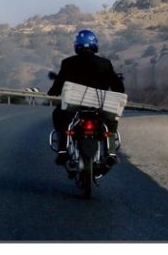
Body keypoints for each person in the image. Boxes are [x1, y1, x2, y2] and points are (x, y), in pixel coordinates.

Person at [47, 28, 126, 166]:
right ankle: (111, 152)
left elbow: (57, 86)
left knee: (59, 115)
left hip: (75, 105)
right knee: (111, 120)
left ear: (77, 45)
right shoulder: (105, 63)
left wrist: (53, 91)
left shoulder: (68, 63)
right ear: (94, 44)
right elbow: (119, 88)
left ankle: (63, 150)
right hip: (100, 106)